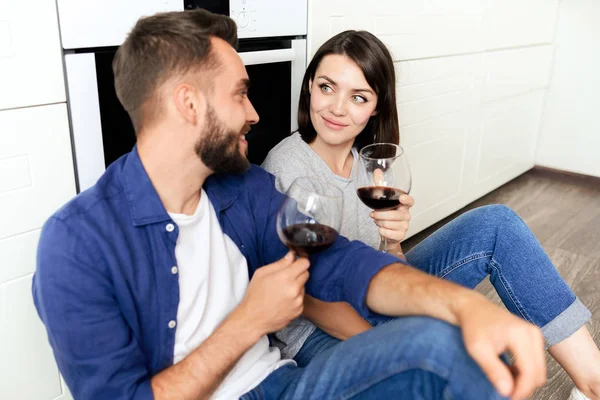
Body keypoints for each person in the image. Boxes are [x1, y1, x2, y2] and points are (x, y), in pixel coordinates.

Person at [32, 10, 548, 400]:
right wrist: (248, 322)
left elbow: (345, 261)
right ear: (189, 104)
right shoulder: (77, 245)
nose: (255, 113)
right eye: (240, 94)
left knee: (452, 346)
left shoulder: (243, 190)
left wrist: (467, 306)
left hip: (287, 383)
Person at [261, 30, 600, 400]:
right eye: (327, 87)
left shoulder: (370, 166)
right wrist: (401, 340)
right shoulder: (288, 167)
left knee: (496, 224)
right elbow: (304, 297)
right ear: (310, 85)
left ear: (375, 106)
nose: (337, 108)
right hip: (317, 333)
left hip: (376, 298)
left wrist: (392, 241)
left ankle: (593, 383)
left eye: (358, 96)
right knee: (476, 358)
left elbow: (391, 270)